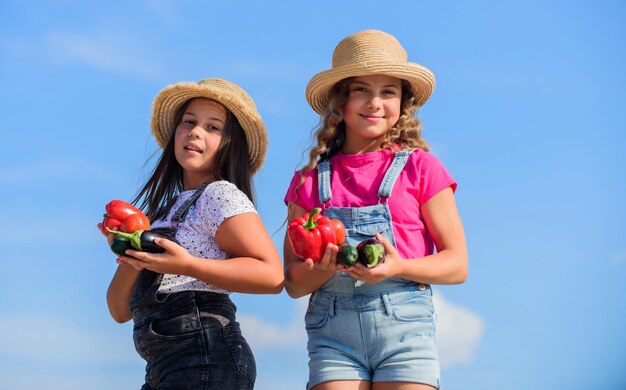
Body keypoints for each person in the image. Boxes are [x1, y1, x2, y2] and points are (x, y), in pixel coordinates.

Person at [283, 30, 468, 390]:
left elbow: (457, 264)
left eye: (388, 92)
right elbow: (292, 282)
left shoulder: (422, 168)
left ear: (402, 103)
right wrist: (320, 271)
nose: (375, 102)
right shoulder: (308, 181)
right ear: (341, 100)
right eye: (361, 90)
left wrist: (399, 267)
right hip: (333, 337)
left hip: (405, 333)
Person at [100, 78, 283, 389]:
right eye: (189, 122)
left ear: (230, 145)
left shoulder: (220, 195)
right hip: (163, 366)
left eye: (213, 127)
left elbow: (272, 276)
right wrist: (128, 252)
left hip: (206, 356)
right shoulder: (161, 214)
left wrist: (187, 266)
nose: (196, 131)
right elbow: (118, 310)